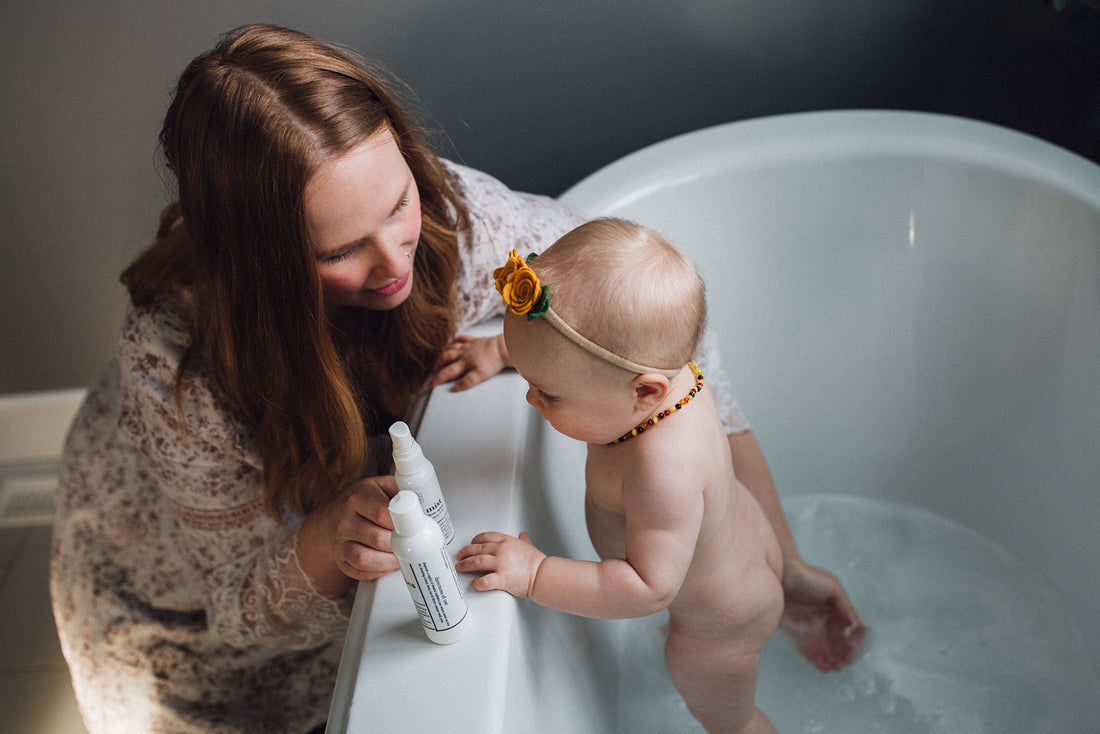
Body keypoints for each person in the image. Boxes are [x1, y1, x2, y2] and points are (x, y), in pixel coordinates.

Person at [49, 22, 861, 734]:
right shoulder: (176, 363)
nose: (396, 259)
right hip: (183, 611)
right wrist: (324, 542)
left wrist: (785, 565)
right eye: (339, 253)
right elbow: (234, 614)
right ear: (263, 267)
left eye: (397, 203)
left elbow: (668, 343)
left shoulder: (454, 218)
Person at [456, 220, 784, 733]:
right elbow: (578, 357)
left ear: (645, 393)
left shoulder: (663, 467)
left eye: (548, 392)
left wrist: (537, 575)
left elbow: (647, 587)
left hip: (719, 626)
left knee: (731, 725)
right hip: (745, 552)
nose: (530, 398)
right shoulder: (669, 374)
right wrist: (511, 352)